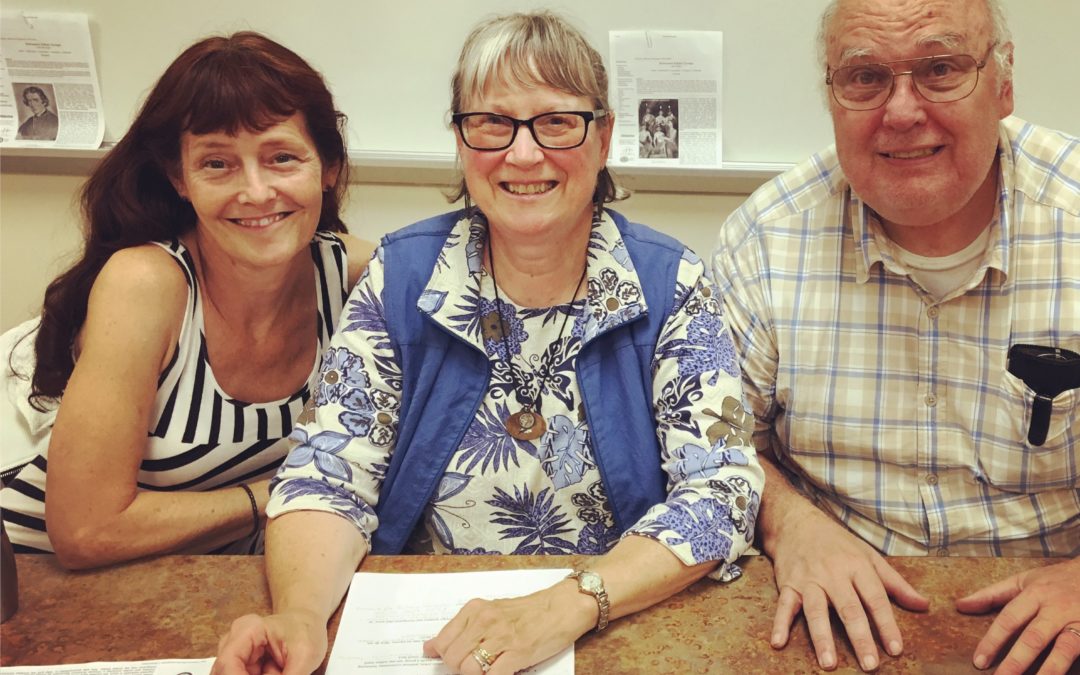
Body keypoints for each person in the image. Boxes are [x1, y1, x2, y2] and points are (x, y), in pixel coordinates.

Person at [215, 11, 763, 675]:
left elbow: (722, 492)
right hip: (426, 639)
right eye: (492, 123)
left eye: (557, 121)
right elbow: (328, 471)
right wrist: (301, 611)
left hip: (615, 623)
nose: (523, 154)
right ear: (460, 138)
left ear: (604, 136)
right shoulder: (401, 276)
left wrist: (570, 603)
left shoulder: (670, 284)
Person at [711, 0, 1079, 673]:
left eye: (940, 69)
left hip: (1058, 612)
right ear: (831, 94)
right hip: (833, 617)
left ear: (1003, 83)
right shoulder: (764, 240)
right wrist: (788, 522)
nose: (902, 112)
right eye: (865, 76)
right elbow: (719, 445)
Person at [0, 32, 373, 569]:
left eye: (282, 157)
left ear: (328, 167)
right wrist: (278, 494)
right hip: (43, 587)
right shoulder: (146, 282)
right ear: (180, 178)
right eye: (217, 164)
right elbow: (85, 531)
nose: (256, 191)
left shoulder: (353, 274)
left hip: (210, 584)